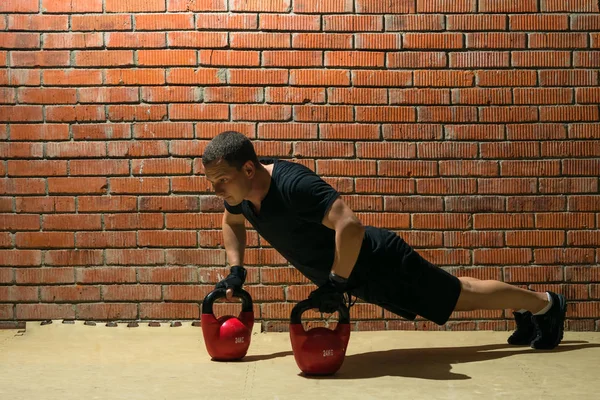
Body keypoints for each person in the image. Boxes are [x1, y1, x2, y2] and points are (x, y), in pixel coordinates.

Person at [202, 131, 567, 350]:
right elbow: (232, 222)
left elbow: (350, 225)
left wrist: (336, 283)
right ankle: (528, 308)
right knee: (460, 292)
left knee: (459, 297)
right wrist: (236, 270)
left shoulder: (292, 184)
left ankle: (545, 305)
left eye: (221, 180)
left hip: (381, 261)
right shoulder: (242, 195)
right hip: (358, 273)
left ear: (248, 169)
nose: (216, 189)